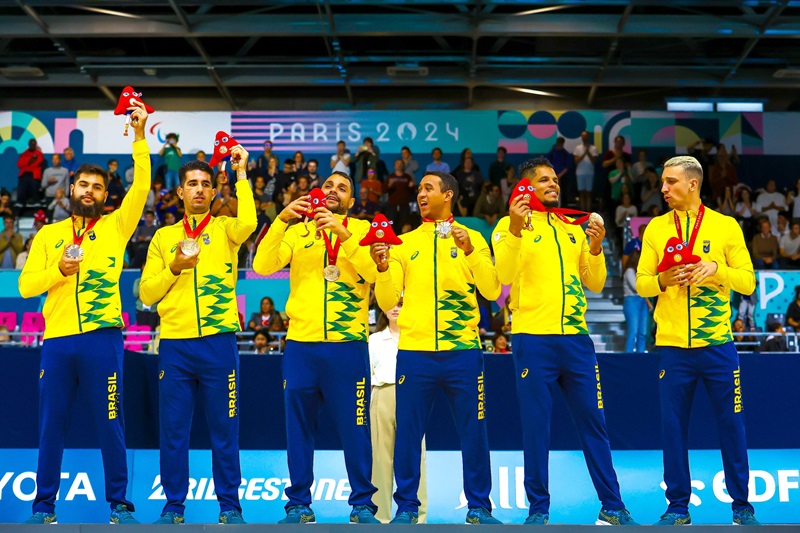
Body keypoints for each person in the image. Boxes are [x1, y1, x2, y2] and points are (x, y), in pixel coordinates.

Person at [17, 100, 151, 525]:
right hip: (56, 341)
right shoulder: (48, 235)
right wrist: (57, 269)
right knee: (51, 426)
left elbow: (143, 185)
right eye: (83, 185)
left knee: (111, 421)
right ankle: (43, 506)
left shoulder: (115, 227)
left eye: (97, 187)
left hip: (103, 338)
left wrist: (141, 136)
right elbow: (24, 288)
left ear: (105, 196)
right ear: (70, 189)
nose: (89, 192)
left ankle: (118, 504)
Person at [493, 157, 636, 526]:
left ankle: (613, 507)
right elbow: (504, 275)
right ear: (525, 188)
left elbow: (597, 283)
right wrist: (513, 225)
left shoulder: (573, 228)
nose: (553, 184)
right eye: (543, 180)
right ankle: (538, 510)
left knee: (595, 423)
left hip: (576, 341)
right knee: (536, 427)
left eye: (554, 179)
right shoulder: (510, 227)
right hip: (532, 340)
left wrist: (594, 247)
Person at [370, 171, 502, 525]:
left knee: (474, 431)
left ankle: (479, 507)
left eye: (428, 188)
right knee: (408, 434)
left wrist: (472, 251)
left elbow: (491, 290)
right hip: (414, 353)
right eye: (419, 189)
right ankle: (407, 508)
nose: (420, 194)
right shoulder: (403, 242)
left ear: (449, 195)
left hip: (463, 352)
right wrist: (382, 266)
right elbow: (386, 300)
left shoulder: (473, 237)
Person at [636, 155, 759, 526]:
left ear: (693, 184)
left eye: (671, 182)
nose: (663, 188)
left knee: (732, 426)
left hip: (718, 346)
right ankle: (677, 508)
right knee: (672, 429)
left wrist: (716, 269)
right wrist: (664, 280)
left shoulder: (725, 227)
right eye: (663, 181)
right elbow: (641, 282)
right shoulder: (656, 229)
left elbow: (748, 281)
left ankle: (742, 507)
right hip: (673, 348)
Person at [253, 171, 380, 524]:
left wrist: (344, 234)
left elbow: (374, 273)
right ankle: (298, 503)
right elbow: (262, 265)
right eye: (328, 186)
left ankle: (362, 504)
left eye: (342, 188)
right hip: (301, 348)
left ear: (352, 202)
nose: (333, 191)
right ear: (317, 194)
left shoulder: (364, 231)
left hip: (347, 347)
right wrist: (280, 219)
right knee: (298, 428)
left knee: (356, 427)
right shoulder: (297, 231)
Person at [140, 145, 256, 525]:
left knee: (225, 430)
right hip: (175, 344)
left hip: (218, 343)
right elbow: (145, 294)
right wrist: (173, 267)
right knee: (173, 432)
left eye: (206, 184)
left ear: (213, 190)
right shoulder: (162, 238)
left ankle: (230, 507)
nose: (200, 190)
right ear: (180, 192)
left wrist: (241, 175)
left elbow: (250, 223)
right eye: (192, 184)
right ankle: (174, 507)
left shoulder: (226, 229)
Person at [369, 302, 428, 524]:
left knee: (415, 457)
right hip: (382, 394)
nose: (395, 308)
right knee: (380, 459)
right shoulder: (374, 340)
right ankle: (380, 516)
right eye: (391, 304)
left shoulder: (418, 337)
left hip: (412, 397)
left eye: (402, 304)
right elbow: (368, 374)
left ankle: (418, 517)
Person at [622, 250, 650, 353]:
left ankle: (640, 355)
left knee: (642, 333)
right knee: (633, 331)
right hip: (632, 301)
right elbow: (636, 287)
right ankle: (628, 357)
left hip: (641, 301)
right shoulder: (629, 271)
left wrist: (648, 302)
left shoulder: (639, 273)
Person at [16, 138, 45, 212]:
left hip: (34, 174)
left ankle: (35, 201)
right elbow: (19, 164)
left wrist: (27, 163)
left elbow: (37, 163)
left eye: (34, 144)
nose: (33, 145)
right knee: (22, 188)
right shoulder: (24, 153)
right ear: (29, 145)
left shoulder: (39, 154)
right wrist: (30, 160)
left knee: (34, 187)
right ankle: (20, 202)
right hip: (24, 174)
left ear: (36, 145)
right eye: (31, 144)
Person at [573, 131, 598, 212]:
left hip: (590, 173)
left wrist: (588, 152)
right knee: (582, 193)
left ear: (588, 137)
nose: (584, 138)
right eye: (583, 136)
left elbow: (594, 161)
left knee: (588, 193)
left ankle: (588, 212)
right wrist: (585, 153)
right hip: (580, 173)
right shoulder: (578, 148)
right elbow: (576, 162)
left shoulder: (593, 148)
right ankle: (582, 212)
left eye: (586, 136)